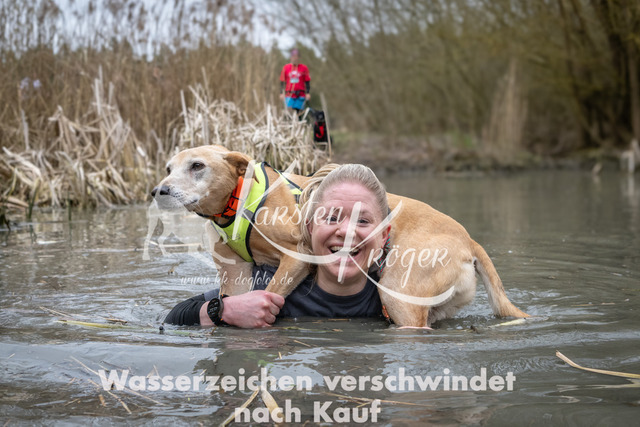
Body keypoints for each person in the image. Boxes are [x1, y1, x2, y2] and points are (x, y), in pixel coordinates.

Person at [164, 164, 392, 328]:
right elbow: (173, 318)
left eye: (362, 221)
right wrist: (224, 310)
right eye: (331, 218)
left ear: (384, 235)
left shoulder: (397, 298)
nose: (346, 231)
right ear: (310, 227)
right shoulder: (266, 286)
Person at [279, 48, 311, 116]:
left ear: (299, 58)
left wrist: (308, 93)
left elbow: (307, 81)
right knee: (289, 113)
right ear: (291, 57)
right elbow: (282, 81)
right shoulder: (286, 68)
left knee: (298, 114)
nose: (295, 58)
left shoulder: (304, 68)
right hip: (289, 95)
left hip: (300, 95)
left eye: (296, 56)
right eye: (293, 56)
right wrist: (281, 93)